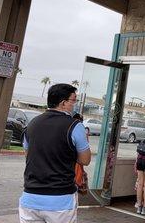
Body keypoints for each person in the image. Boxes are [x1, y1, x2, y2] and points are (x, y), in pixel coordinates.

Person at [19, 84, 91, 223]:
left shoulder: (32, 124)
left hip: (30, 197)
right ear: (63, 103)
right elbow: (85, 160)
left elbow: (28, 155)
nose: (74, 104)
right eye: (73, 100)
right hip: (60, 200)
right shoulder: (75, 126)